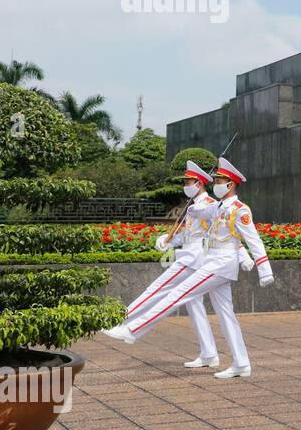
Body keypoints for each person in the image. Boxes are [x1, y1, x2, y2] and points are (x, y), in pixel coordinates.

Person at [103, 157, 273, 379]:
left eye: (220, 180)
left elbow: (252, 240)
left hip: (219, 264)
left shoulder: (240, 210)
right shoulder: (219, 207)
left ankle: (133, 329)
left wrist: (264, 269)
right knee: (225, 314)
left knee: (177, 293)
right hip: (213, 260)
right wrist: (177, 230)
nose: (215, 184)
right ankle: (241, 363)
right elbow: (204, 221)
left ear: (230, 185)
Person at [99, 160, 221, 368]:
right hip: (191, 253)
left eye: (189, 181)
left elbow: (217, 231)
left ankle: (123, 322)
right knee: (195, 306)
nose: (186, 185)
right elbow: (186, 234)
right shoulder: (193, 206)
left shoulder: (209, 205)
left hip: (194, 258)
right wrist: (168, 240)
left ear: (199, 183)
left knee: (157, 288)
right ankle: (209, 353)